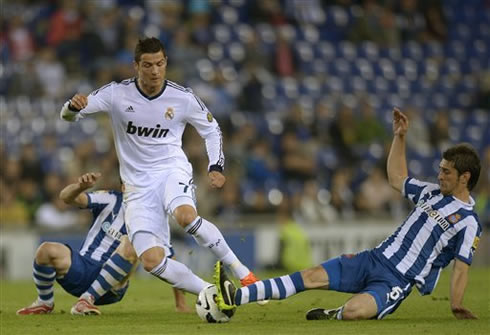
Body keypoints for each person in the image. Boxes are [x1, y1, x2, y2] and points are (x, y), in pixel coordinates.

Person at [215, 107, 482, 320]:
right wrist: (399, 137)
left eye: (446, 172)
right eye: (440, 169)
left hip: (397, 280)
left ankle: (335, 314)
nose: (439, 175)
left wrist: (456, 304)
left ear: (464, 177)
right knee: (311, 276)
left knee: (356, 312)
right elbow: (396, 177)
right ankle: (235, 296)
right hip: (372, 258)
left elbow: (461, 267)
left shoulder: (469, 221)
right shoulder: (430, 192)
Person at [60, 37, 260, 297]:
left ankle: (243, 272)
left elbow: (211, 130)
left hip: (170, 170)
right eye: (148, 65)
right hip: (136, 187)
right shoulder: (116, 93)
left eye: (160, 64)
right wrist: (71, 107)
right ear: (136, 66)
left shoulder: (183, 98)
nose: (155, 71)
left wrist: (216, 166)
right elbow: (68, 115)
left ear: (165, 63)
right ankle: (214, 293)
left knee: (186, 217)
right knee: (151, 261)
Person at [16, 172, 195, 316]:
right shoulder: (110, 198)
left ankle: (86, 299)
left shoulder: (154, 220)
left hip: (112, 289)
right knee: (45, 249)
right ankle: (45, 302)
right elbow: (65, 197)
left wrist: (180, 303)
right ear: (125, 186)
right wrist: (80, 187)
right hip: (83, 268)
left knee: (132, 243)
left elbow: (168, 260)